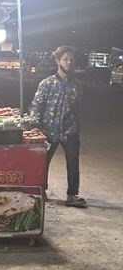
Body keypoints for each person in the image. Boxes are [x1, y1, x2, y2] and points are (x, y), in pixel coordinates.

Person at [29, 45, 86, 207]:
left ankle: (72, 195)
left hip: (70, 130)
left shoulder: (77, 85)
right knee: (42, 162)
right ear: (57, 61)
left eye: (71, 60)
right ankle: (41, 190)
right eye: (65, 59)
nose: (69, 62)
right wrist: (35, 125)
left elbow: (78, 106)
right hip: (48, 130)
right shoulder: (47, 84)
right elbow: (37, 106)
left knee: (73, 162)